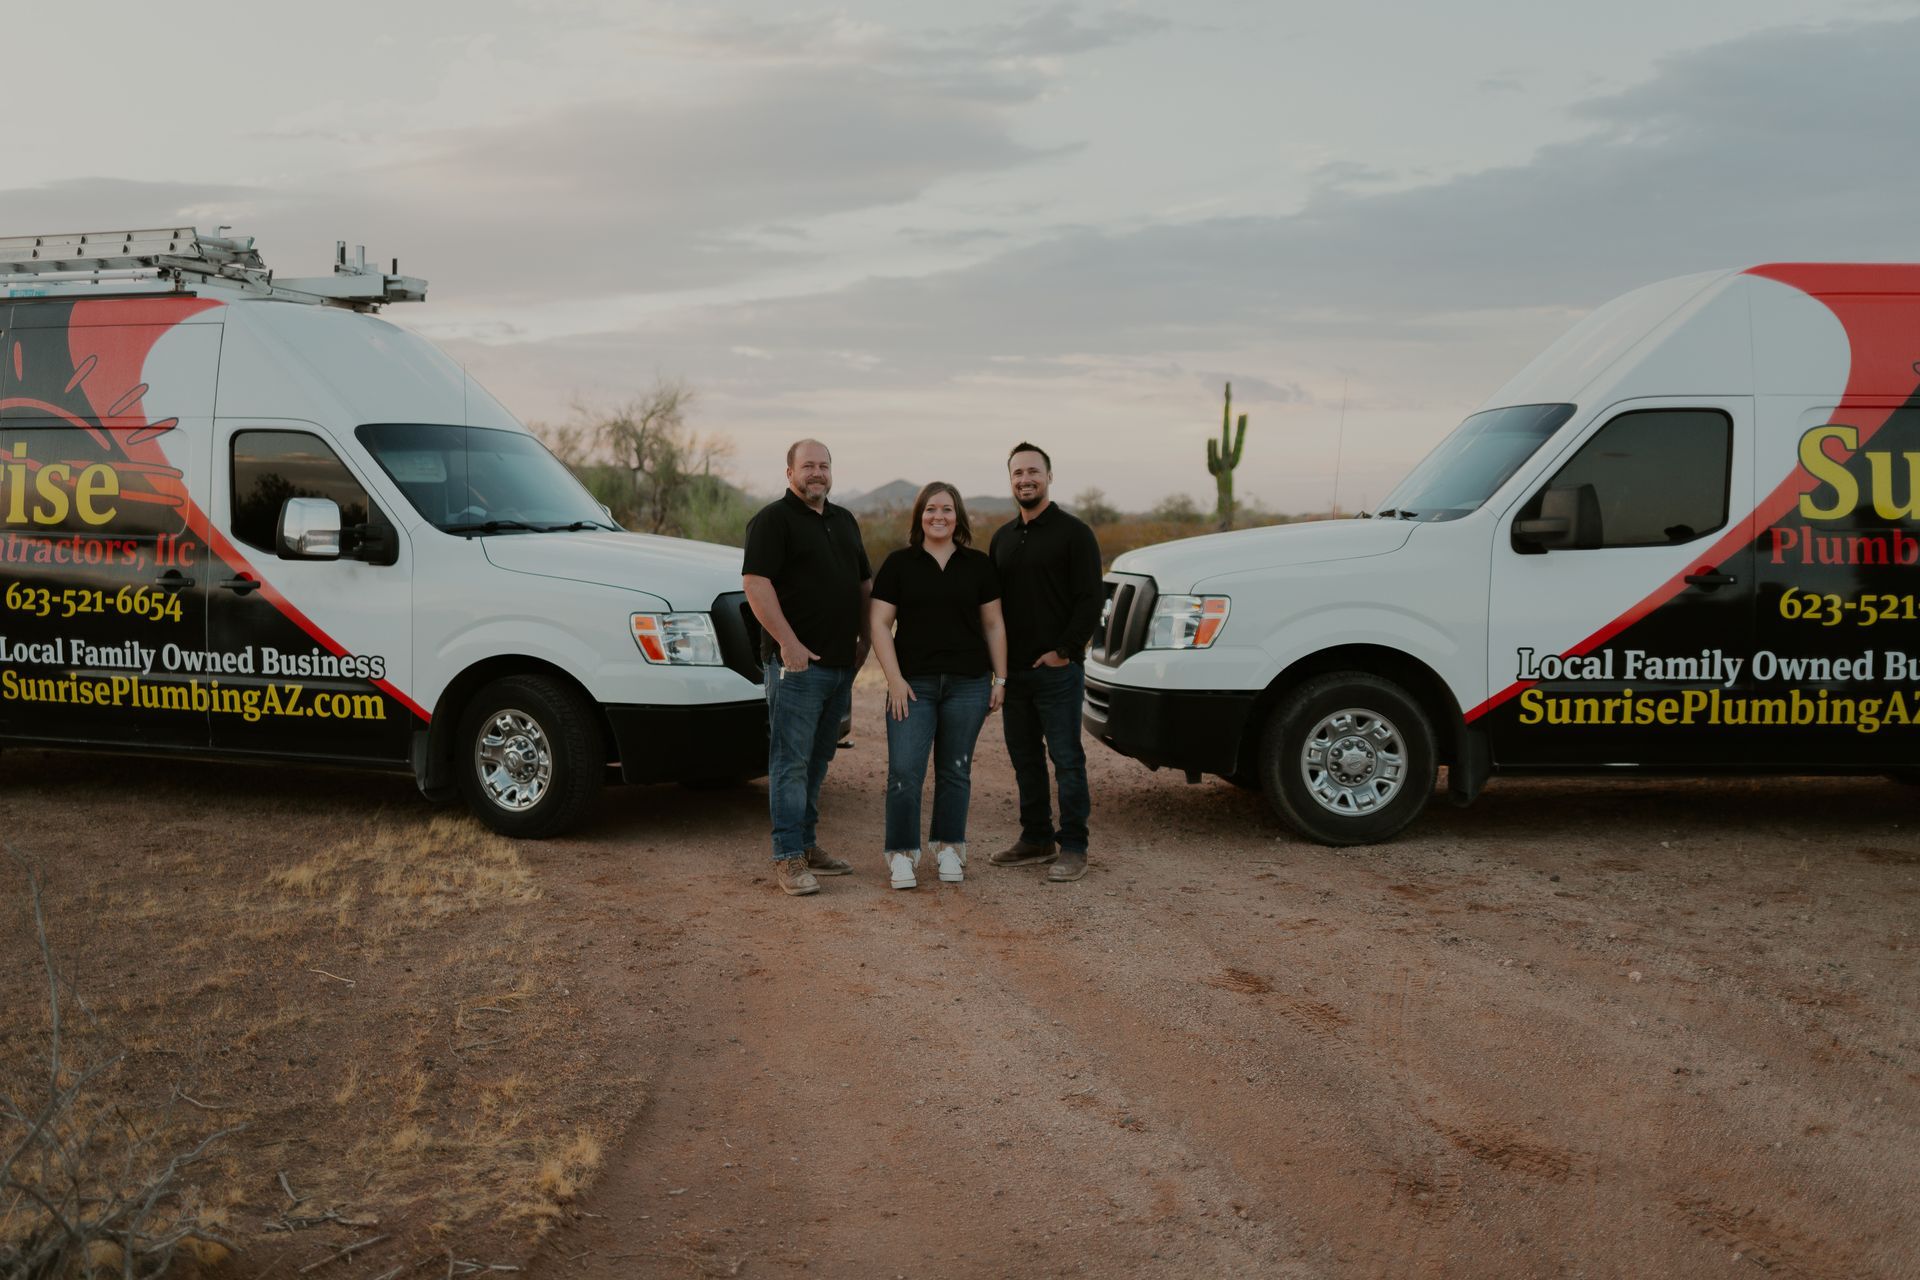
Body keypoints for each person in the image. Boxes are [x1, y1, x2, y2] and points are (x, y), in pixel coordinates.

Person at [742, 439, 872, 896]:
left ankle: (809, 844)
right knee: (790, 762)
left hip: (840, 666)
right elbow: (756, 585)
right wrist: (789, 643)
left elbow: (863, 584)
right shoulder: (772, 521)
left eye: (824, 465)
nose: (816, 473)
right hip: (795, 667)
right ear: (789, 472)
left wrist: (867, 639)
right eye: (808, 466)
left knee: (818, 760)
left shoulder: (844, 520)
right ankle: (788, 857)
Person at [868, 483, 1008, 889]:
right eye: (931, 509)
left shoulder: (978, 565)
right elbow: (879, 623)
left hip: (969, 684)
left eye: (947, 509)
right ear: (920, 517)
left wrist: (1000, 677)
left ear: (958, 516)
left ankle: (949, 847)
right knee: (904, 772)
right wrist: (894, 679)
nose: (939, 516)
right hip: (913, 686)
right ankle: (901, 855)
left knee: (955, 770)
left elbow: (994, 624)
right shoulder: (899, 564)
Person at [988, 442, 1104, 883]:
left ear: (1049, 476)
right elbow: (992, 609)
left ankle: (1073, 845)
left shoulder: (1074, 533)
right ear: (1011, 480)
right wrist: (995, 667)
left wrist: (1064, 652)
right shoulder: (1001, 538)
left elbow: (1090, 599)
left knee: (1067, 759)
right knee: (1024, 759)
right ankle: (1035, 837)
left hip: (1057, 671)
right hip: (1013, 673)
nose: (1025, 479)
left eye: (1033, 471)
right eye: (1017, 473)